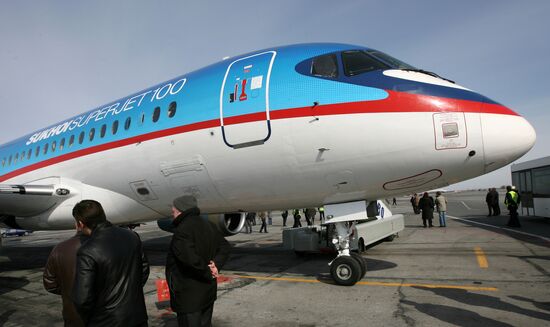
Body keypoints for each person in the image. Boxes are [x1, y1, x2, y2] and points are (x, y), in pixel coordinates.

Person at [71, 200, 149, 327]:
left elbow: (82, 299)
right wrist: (131, 294)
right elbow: (144, 270)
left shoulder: (87, 251)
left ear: (80, 224)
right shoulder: (132, 236)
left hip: (106, 320)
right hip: (137, 316)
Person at [166, 195, 231, 327]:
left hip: (189, 297)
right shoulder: (209, 225)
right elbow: (225, 246)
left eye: (173, 211)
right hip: (208, 292)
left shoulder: (182, 230)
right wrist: (216, 265)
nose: (172, 213)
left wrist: (208, 271)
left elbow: (190, 260)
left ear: (181, 210)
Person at [43, 227, 88, 327]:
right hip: (105, 316)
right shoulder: (108, 247)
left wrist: (68, 292)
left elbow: (50, 284)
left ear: (78, 224)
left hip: (73, 316)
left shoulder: (59, 248)